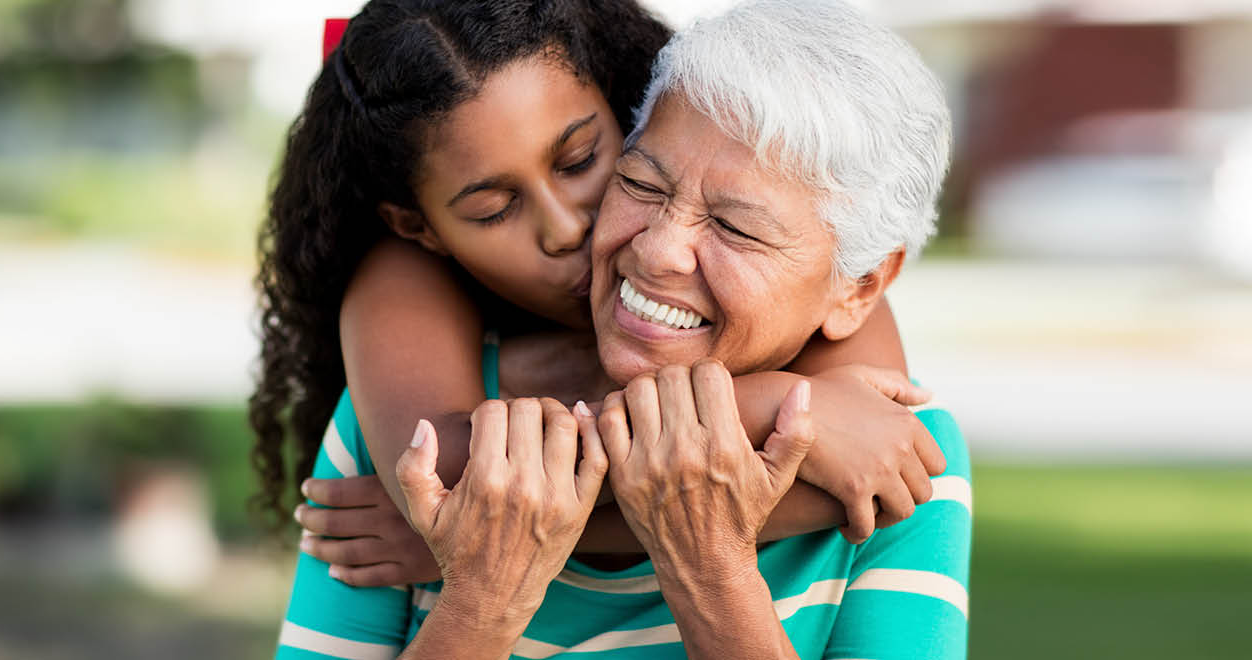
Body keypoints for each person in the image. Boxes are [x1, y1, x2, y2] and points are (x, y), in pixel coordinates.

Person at [277, 0, 970, 657]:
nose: (567, 226)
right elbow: (438, 475)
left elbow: (874, 435)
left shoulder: (889, 430)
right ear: (421, 228)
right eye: (647, 186)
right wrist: (479, 584)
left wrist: (477, 535)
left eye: (581, 163)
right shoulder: (398, 337)